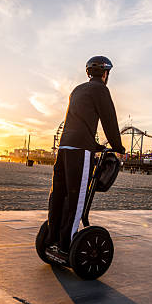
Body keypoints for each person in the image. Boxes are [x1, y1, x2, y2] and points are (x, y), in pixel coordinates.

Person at [45, 56, 125, 254]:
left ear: (89, 72)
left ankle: (51, 237)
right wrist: (118, 147)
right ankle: (66, 246)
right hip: (80, 152)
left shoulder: (78, 90)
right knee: (76, 198)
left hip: (64, 148)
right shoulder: (101, 89)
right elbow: (109, 121)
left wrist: (95, 145)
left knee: (58, 195)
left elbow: (76, 122)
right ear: (105, 73)